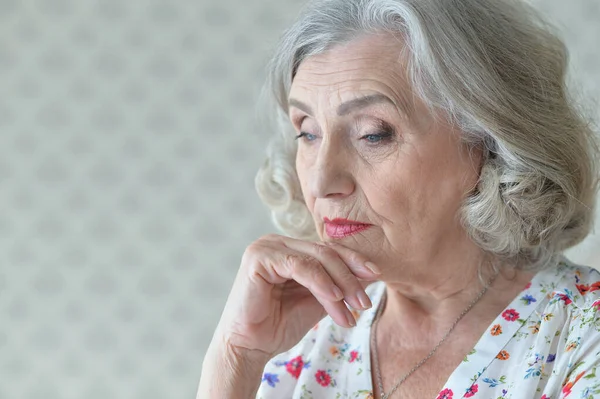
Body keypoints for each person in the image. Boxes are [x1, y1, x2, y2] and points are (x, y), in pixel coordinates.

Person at [197, 0, 600, 397]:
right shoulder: (292, 344)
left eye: (373, 134)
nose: (321, 181)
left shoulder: (581, 333)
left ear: (488, 144)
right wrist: (237, 358)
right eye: (308, 132)